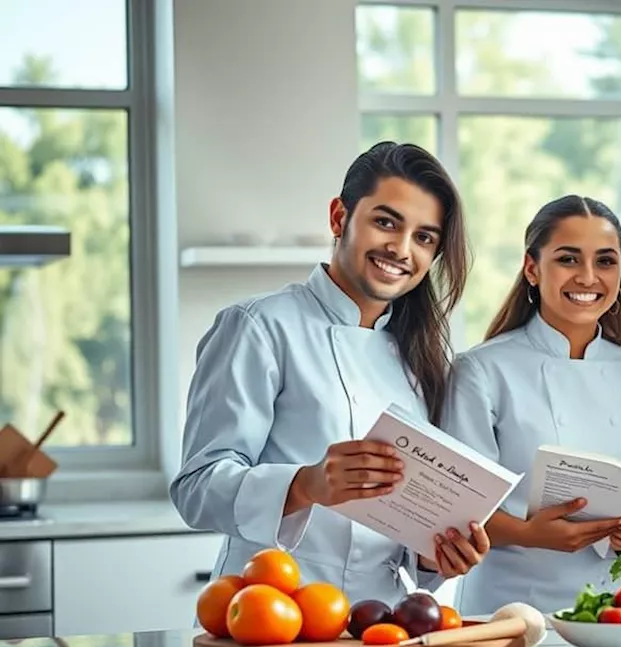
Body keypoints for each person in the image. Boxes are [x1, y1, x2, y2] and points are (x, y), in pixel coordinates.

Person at [171, 142, 490, 608]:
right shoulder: (259, 326)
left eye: (424, 237)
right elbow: (197, 488)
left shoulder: (419, 357)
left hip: (377, 624)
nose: (401, 249)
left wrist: (437, 555)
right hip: (268, 611)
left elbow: (402, 538)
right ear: (340, 218)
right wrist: (305, 485)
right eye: (386, 222)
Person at [441, 195, 621, 615]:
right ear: (531, 268)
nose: (588, 277)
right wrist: (530, 533)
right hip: (511, 607)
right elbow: (457, 508)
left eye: (605, 261)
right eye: (568, 259)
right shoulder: (481, 370)